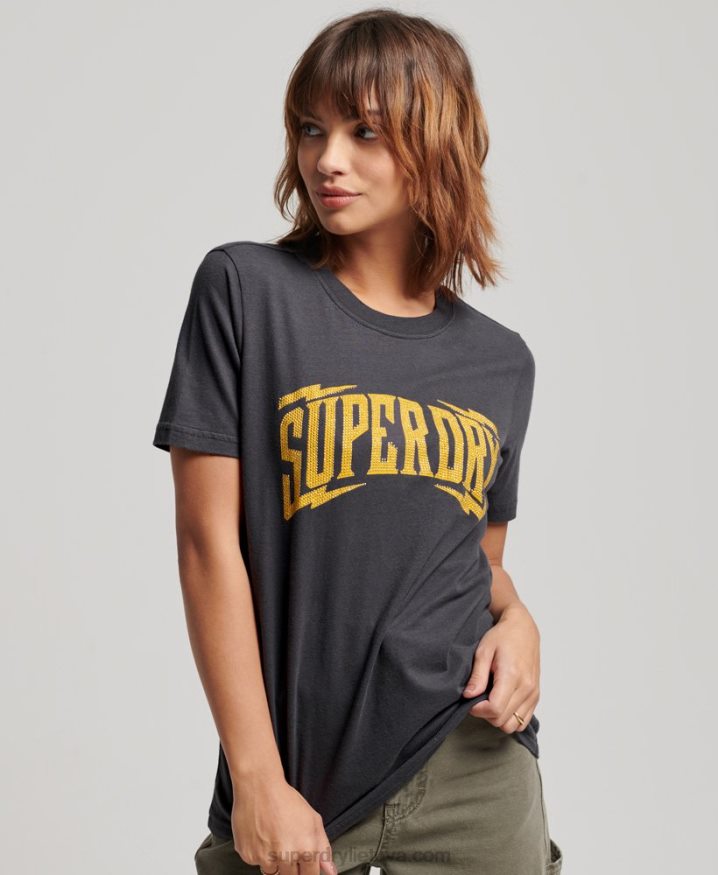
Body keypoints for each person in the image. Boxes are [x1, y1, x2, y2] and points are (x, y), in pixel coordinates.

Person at [152, 8, 563, 874]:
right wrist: (256, 776)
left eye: (364, 132)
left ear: (437, 143)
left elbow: (474, 563)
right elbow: (205, 544)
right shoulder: (246, 292)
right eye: (313, 129)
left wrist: (518, 618)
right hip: (300, 778)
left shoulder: (501, 362)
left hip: (473, 765)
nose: (327, 159)